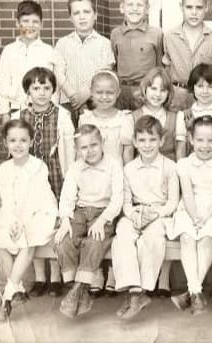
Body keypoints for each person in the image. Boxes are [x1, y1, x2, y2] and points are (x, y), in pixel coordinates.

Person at [0, 119, 58, 321]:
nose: (18, 145)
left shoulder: (38, 166)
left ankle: (7, 297)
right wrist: (11, 221)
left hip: (40, 213)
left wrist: (22, 222)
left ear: (31, 142)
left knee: (26, 240)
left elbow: (36, 200)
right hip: (13, 213)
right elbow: (7, 199)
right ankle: (17, 289)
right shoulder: (4, 168)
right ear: (5, 143)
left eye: (23, 140)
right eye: (13, 140)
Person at [14, 67, 75, 298]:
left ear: (53, 90)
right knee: (32, 222)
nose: (41, 92)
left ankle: (56, 276)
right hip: (30, 180)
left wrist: (70, 179)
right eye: (36, 88)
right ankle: (39, 277)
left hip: (56, 176)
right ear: (28, 91)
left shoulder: (62, 116)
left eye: (46, 88)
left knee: (55, 225)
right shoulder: (20, 116)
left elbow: (69, 152)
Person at [111, 116, 180, 320]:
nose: (147, 145)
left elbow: (173, 202)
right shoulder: (129, 168)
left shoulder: (170, 167)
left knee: (151, 239)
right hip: (135, 213)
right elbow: (125, 202)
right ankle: (134, 292)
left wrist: (155, 214)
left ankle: (140, 293)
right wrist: (133, 214)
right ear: (134, 142)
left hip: (160, 214)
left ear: (161, 141)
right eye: (142, 140)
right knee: (122, 235)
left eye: (152, 140)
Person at [55, 124, 124, 318]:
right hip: (80, 212)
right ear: (77, 150)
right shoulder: (76, 168)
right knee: (62, 240)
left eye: (94, 145)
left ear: (102, 143)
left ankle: (77, 290)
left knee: (94, 241)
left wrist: (103, 220)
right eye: (83, 147)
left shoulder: (113, 165)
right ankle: (77, 289)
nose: (89, 151)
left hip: (103, 213)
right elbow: (67, 197)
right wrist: (65, 219)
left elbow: (117, 198)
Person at [169, 116, 212, 315]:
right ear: (191, 139)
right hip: (190, 208)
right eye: (200, 140)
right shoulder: (184, 164)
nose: (205, 146)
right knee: (187, 237)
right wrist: (195, 216)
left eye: (211, 140)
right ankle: (196, 292)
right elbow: (187, 193)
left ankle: (191, 292)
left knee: (206, 239)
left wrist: (205, 218)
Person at [78, 69, 133, 295]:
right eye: (99, 92)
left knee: (112, 227)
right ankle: (96, 272)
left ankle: (112, 272)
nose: (104, 97)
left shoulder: (124, 119)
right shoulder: (85, 118)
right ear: (91, 93)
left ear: (118, 93)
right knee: (92, 227)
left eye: (109, 92)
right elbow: (79, 153)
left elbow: (127, 154)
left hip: (115, 180)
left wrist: (127, 183)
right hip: (92, 182)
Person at [55, 0, 115, 126]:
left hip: (94, 103)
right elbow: (58, 73)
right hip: (68, 103)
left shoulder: (104, 43)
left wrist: (85, 94)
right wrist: (73, 96)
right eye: (76, 13)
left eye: (86, 12)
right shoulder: (62, 43)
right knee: (69, 142)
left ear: (95, 15)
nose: (82, 17)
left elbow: (104, 73)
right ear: (70, 17)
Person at [0, 0, 61, 124]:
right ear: (17, 23)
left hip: (44, 110)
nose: (30, 26)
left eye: (35, 22)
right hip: (16, 110)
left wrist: (53, 111)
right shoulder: (9, 51)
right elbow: (3, 84)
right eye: (25, 21)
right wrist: (5, 114)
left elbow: (55, 86)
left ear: (41, 24)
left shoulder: (49, 51)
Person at [162, 0, 212, 112]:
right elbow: (166, 70)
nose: (194, 12)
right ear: (181, 7)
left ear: (206, 7)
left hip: (205, 98)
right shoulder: (169, 37)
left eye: (199, 7)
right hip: (177, 97)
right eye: (189, 7)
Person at [110, 0, 163, 110]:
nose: (135, 9)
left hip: (146, 91)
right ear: (122, 8)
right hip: (122, 91)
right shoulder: (116, 33)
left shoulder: (156, 33)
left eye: (139, 5)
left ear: (147, 9)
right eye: (130, 5)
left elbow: (159, 65)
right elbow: (114, 63)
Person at [176, 63, 212, 159]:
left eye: (210, 87)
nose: (205, 91)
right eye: (200, 86)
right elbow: (180, 150)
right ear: (192, 88)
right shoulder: (184, 115)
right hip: (192, 170)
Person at [121, 67, 177, 162]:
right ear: (144, 89)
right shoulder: (131, 117)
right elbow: (128, 152)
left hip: (168, 172)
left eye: (163, 90)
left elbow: (180, 151)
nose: (158, 94)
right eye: (153, 88)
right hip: (141, 171)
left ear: (168, 93)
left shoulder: (176, 117)